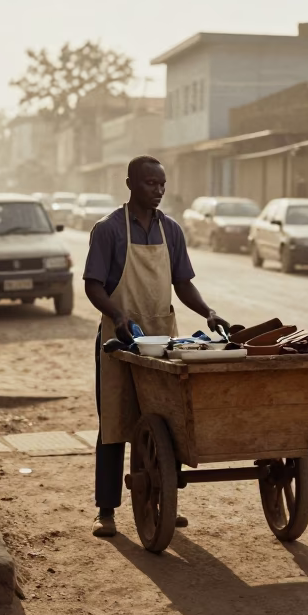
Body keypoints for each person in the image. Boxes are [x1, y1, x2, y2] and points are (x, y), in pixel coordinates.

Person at [83, 155, 230, 539]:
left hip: (164, 338)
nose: (159, 190)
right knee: (115, 423)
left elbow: (183, 284)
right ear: (130, 183)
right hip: (120, 340)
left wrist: (208, 311)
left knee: (166, 423)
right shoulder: (109, 230)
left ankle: (163, 503)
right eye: (151, 183)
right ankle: (106, 510)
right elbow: (93, 285)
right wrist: (117, 315)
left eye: (163, 184)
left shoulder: (172, 231)